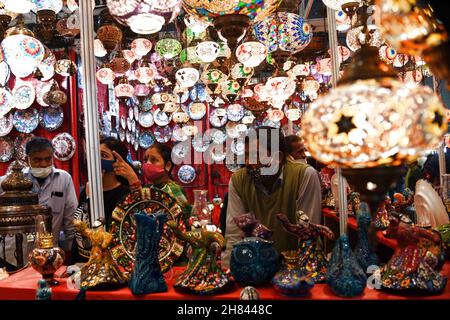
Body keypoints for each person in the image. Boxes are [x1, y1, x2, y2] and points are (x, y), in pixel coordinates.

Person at [222, 127, 322, 268]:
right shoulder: (239, 180)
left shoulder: (304, 175)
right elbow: (234, 235)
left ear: (278, 157)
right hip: (255, 268)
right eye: (246, 155)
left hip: (296, 269)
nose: (249, 162)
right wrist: (229, 271)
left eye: (256, 155)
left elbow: (307, 233)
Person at [0, 137, 78, 268]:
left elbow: (71, 219)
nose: (43, 164)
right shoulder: (7, 182)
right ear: (27, 159)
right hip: (11, 256)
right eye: (37, 160)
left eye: (48, 159)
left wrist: (74, 255)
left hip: (48, 256)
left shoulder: (64, 179)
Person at [71, 136, 139, 263]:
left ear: (117, 162)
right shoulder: (85, 190)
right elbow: (79, 229)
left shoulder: (123, 195)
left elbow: (108, 232)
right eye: (94, 155)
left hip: (111, 263)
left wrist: (91, 200)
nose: (97, 160)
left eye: (103, 155)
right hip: (83, 262)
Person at [140, 142, 191, 227]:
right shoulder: (149, 188)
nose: (147, 164)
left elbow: (185, 219)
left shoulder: (174, 189)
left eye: (153, 160)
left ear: (167, 166)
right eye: (145, 160)